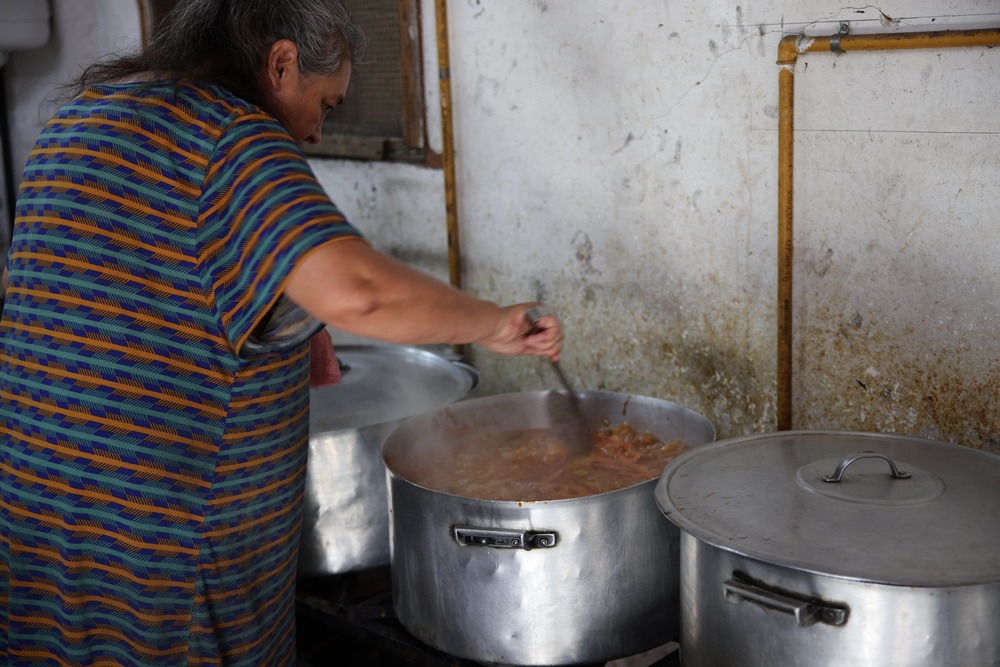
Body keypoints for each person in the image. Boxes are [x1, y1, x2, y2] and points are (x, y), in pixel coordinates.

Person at [0, 0, 563, 664]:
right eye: (325, 105)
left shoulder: (75, 122)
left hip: (36, 540)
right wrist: (495, 323)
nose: (319, 133)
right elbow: (361, 293)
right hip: (169, 576)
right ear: (282, 62)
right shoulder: (231, 137)